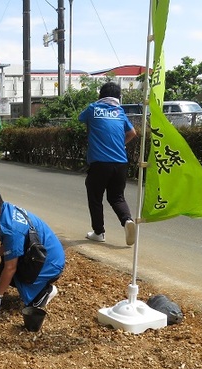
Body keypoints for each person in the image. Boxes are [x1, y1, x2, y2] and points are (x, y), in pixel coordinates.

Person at [0, 185, 65, 321]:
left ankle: (45, 292)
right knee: (7, 262)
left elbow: (10, 267)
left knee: (11, 272)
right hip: (44, 254)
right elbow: (13, 246)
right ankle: (11, 282)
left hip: (49, 265)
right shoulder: (8, 209)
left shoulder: (11, 228)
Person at [77, 81, 137, 246]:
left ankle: (99, 232)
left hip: (99, 163)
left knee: (95, 197)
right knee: (117, 197)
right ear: (119, 97)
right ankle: (127, 221)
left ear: (100, 96)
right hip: (121, 163)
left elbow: (80, 118)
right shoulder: (120, 112)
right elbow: (132, 132)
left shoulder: (92, 109)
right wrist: (121, 144)